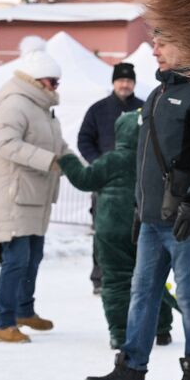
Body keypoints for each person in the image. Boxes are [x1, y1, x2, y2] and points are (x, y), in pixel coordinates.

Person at [85, 30, 190, 380]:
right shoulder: (157, 94)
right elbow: (146, 161)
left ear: (189, 44)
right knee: (142, 293)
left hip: (185, 215)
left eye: (164, 41)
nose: (155, 50)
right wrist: (139, 207)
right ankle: (131, 371)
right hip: (151, 217)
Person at [59, 111, 178, 349]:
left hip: (110, 230)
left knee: (115, 282)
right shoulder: (153, 161)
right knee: (152, 279)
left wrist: (67, 160)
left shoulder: (111, 160)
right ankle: (162, 328)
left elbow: (84, 179)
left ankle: (120, 332)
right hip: (145, 227)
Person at [0, 47, 67, 343]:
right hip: (13, 195)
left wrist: (78, 166)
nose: (55, 87)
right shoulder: (14, 105)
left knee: (33, 256)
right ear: (36, 79)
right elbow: (6, 143)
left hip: (35, 195)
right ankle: (3, 323)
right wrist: (49, 161)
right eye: (52, 81)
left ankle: (24, 310)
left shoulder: (42, 110)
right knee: (16, 259)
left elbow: (59, 146)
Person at [78, 62, 144, 295]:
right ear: (113, 82)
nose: (124, 84)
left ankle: (134, 276)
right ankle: (100, 277)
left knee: (135, 230)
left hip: (136, 183)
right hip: (105, 184)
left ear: (134, 83)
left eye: (128, 80)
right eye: (120, 80)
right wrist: (99, 164)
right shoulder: (98, 109)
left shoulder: (144, 109)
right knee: (103, 231)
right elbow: (84, 140)